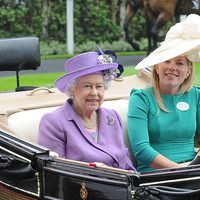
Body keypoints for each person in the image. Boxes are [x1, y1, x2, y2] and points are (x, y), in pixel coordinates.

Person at [38, 47, 135, 171]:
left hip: (122, 187)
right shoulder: (54, 122)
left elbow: (126, 164)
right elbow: (54, 172)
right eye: (87, 86)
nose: (94, 93)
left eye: (99, 86)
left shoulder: (113, 117)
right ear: (72, 89)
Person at [127, 14, 200, 173]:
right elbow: (142, 150)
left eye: (179, 63)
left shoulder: (197, 96)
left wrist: (192, 168)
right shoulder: (140, 99)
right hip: (156, 178)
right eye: (167, 61)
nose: (172, 67)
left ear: (188, 71)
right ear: (157, 67)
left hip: (191, 171)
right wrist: (181, 170)